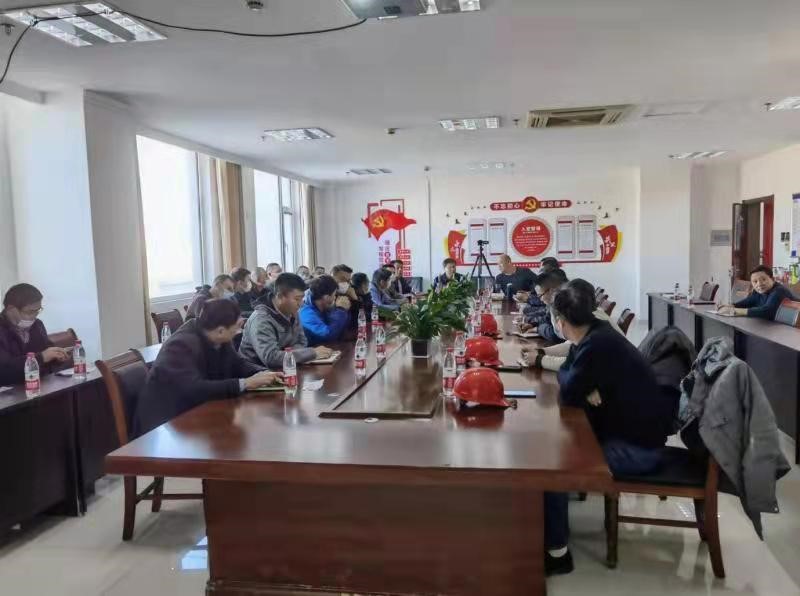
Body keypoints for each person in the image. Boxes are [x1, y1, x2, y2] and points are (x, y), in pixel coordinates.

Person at [541, 281, 674, 576]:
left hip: (637, 449)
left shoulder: (597, 345)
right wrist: (582, 383)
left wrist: (578, 382)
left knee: (551, 467)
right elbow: (570, 376)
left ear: (560, 321)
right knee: (555, 447)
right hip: (631, 434)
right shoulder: (596, 334)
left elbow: (568, 390)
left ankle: (558, 553)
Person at [133, 299, 282, 436]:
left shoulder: (216, 335)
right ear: (221, 331)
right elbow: (194, 389)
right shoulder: (181, 345)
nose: (239, 331)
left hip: (196, 413)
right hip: (166, 425)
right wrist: (246, 383)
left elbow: (238, 364)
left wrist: (265, 373)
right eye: (237, 327)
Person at [521, 278, 623, 372]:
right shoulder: (589, 316)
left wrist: (539, 359)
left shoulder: (596, 323)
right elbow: (571, 346)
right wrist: (541, 351)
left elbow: (577, 364)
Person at [240, 273, 332, 368]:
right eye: (297, 299)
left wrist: (287, 354)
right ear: (280, 297)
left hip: (286, 367)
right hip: (257, 371)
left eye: (302, 298)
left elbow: (302, 342)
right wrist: (309, 353)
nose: (301, 304)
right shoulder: (261, 319)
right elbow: (270, 358)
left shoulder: (292, 311)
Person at [0, 283, 69, 384]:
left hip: (41, 386)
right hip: (11, 391)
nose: (34, 316)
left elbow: (46, 353)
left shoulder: (37, 325)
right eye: (30, 312)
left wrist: (57, 357)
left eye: (37, 311)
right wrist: (41, 358)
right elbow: (4, 370)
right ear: (11, 309)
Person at [718, 265, 795, 320]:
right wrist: (731, 306)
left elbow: (767, 311)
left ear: (772, 279)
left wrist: (734, 311)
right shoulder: (758, 291)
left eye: (763, 279)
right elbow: (748, 302)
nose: (759, 284)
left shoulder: (779, 291)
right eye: (755, 281)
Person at [299, 275, 352, 345]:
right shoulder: (306, 313)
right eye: (334, 295)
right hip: (314, 349)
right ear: (326, 297)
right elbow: (328, 336)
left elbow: (340, 329)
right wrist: (341, 310)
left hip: (328, 347)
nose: (335, 298)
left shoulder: (324, 305)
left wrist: (343, 309)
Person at [346, 272, 374, 338]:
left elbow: (373, 311)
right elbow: (363, 317)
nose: (368, 286)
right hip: (355, 333)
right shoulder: (352, 299)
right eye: (367, 283)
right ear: (363, 285)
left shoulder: (366, 295)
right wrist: (356, 300)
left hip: (365, 329)